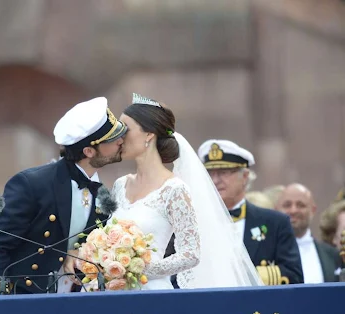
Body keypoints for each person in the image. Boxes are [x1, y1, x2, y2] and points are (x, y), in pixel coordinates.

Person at [109, 93, 262, 290]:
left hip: (151, 292)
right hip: (113, 290)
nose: (119, 137)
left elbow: (190, 254)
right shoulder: (120, 185)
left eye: (126, 129)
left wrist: (138, 269)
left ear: (149, 134)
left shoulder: (174, 189)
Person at [0, 97, 126, 295]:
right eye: (111, 139)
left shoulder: (102, 193)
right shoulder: (31, 184)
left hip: (77, 303)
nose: (120, 141)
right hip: (27, 302)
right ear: (89, 151)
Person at [197, 139, 303, 285]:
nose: (215, 180)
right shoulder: (195, 223)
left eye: (224, 172)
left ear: (245, 177)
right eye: (210, 173)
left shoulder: (275, 223)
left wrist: (246, 275)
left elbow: (294, 276)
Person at [275, 183, 341, 283]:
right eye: (287, 205)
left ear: (313, 210)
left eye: (301, 205)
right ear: (276, 209)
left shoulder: (333, 256)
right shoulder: (267, 251)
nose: (293, 210)